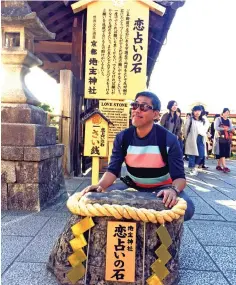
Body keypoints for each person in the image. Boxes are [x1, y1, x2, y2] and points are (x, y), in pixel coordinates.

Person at [81, 91, 194, 221]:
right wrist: (100, 185)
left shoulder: (169, 139)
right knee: (96, 200)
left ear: (156, 114)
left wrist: (173, 190)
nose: (137, 110)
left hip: (163, 187)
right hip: (132, 184)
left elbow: (179, 178)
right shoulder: (123, 138)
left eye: (144, 107)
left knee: (188, 209)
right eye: (135, 105)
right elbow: (113, 170)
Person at [183, 105, 209, 176]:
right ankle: (191, 169)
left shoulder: (203, 120)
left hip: (201, 138)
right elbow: (185, 130)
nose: (197, 112)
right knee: (192, 155)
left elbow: (204, 130)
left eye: (199, 111)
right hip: (192, 138)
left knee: (201, 155)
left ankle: (195, 167)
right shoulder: (190, 119)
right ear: (193, 112)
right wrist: (187, 138)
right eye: (195, 111)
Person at [213, 108, 234, 173]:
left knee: (224, 151)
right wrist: (224, 128)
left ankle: (218, 165)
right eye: (226, 112)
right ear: (223, 113)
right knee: (222, 151)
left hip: (227, 137)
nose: (227, 114)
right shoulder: (218, 119)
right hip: (220, 137)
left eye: (228, 112)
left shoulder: (229, 120)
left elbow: (231, 127)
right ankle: (225, 166)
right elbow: (216, 127)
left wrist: (228, 129)